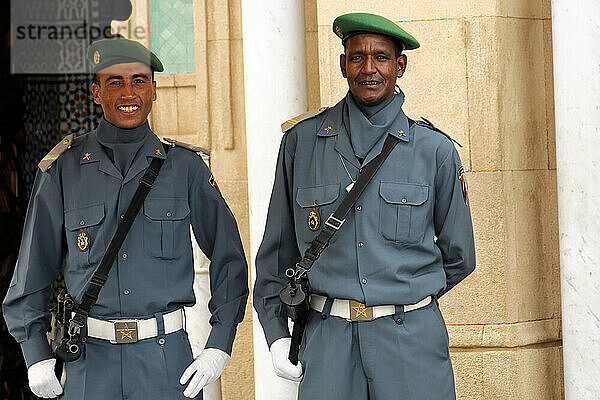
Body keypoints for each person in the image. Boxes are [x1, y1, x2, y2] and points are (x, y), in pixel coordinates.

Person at [3, 38, 248, 399]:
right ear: (96, 93)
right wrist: (35, 353)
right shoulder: (63, 170)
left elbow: (230, 258)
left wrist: (220, 341)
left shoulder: (186, 168)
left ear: (154, 90)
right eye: (115, 82)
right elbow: (30, 276)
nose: (128, 92)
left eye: (139, 81)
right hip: (88, 366)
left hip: (166, 364)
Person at [253, 12, 476, 400]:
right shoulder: (301, 144)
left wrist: (406, 293)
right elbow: (276, 254)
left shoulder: (435, 151)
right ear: (342, 65)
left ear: (400, 65)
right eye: (357, 57)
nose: (368, 69)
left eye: (382, 58)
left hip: (410, 346)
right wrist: (275, 334)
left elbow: (460, 255)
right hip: (328, 347)